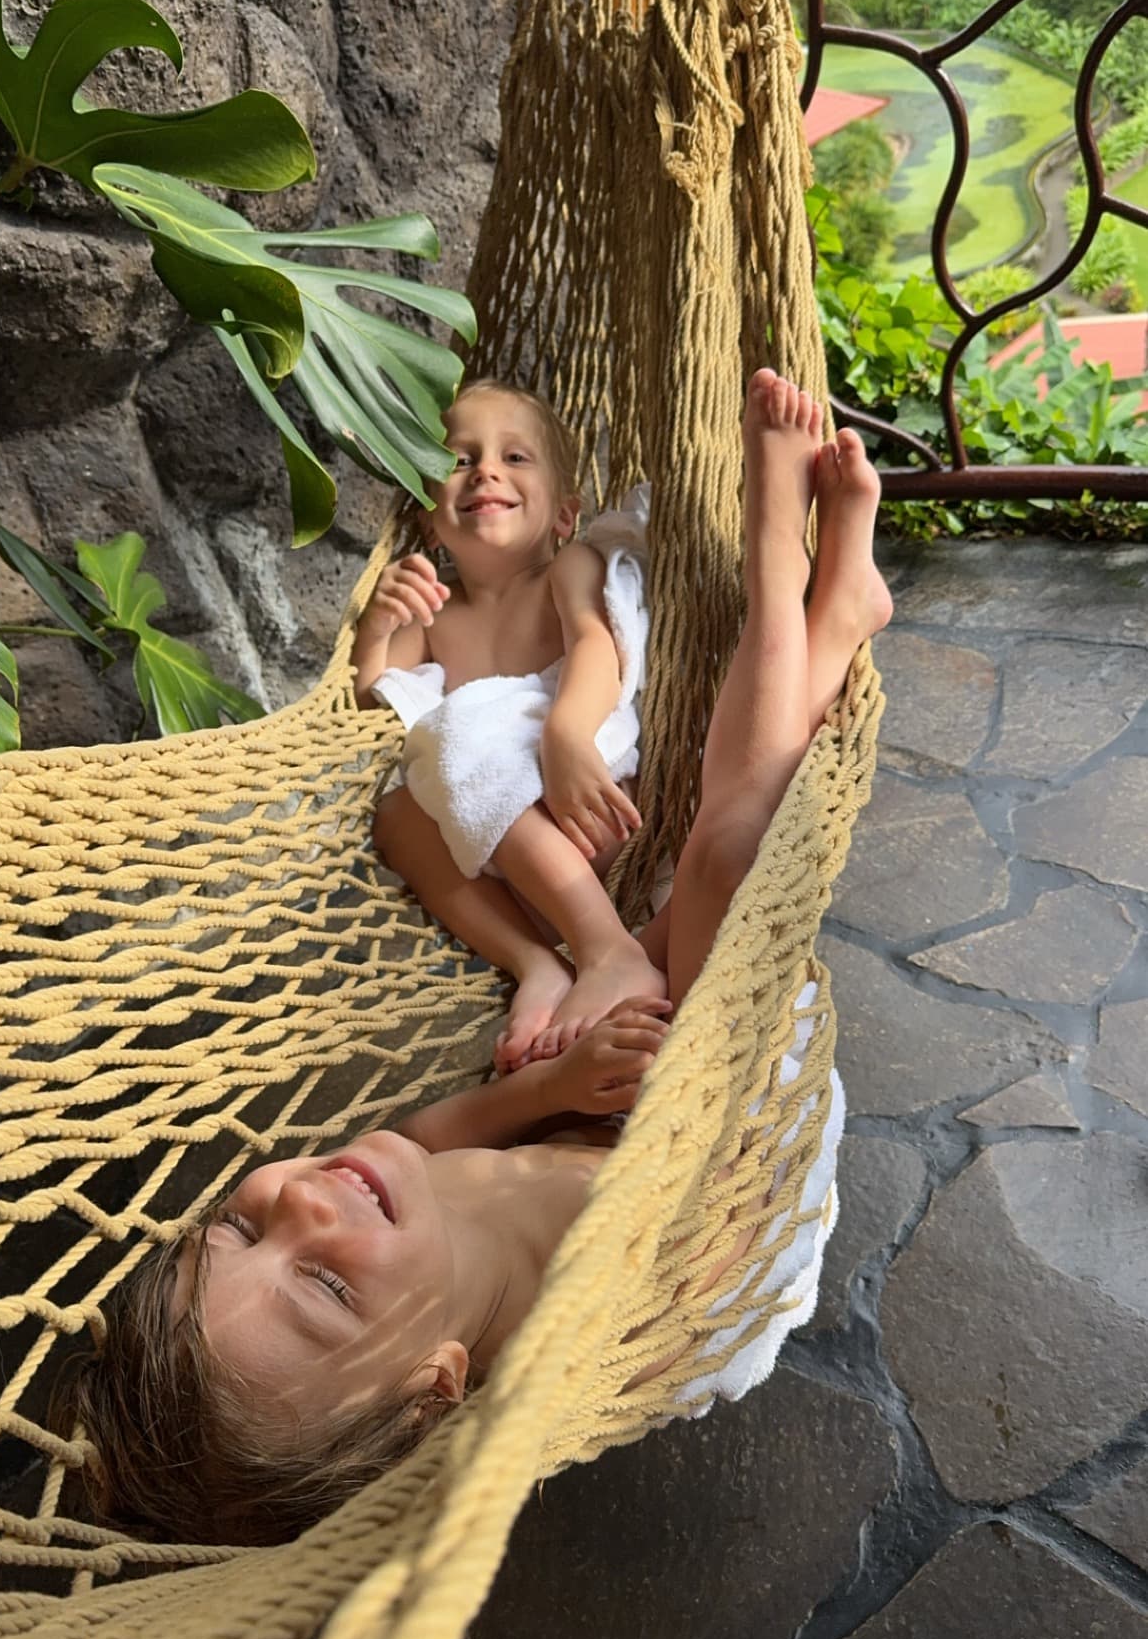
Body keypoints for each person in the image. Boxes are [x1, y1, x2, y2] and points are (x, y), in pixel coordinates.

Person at [65, 373, 892, 1547]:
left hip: (599, 1106)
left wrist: (554, 1092)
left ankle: (840, 614)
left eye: (241, 1231)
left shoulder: (388, 1220)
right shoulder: (579, 1316)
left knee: (671, 896)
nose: (301, 1201)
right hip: (724, 1161)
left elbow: (439, 1139)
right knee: (725, 867)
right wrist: (670, 1102)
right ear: (437, 1384)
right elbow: (710, 1237)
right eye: (327, 1287)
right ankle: (790, 574)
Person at [352, 378, 662, 1073]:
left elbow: (594, 644)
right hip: (496, 872)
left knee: (464, 732)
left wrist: (566, 737)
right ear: (432, 518)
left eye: (515, 458)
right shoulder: (433, 611)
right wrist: (377, 630)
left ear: (564, 514)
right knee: (397, 813)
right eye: (461, 460)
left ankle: (609, 949)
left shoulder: (569, 567)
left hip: (585, 809)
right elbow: (377, 714)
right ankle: (538, 967)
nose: (485, 470)